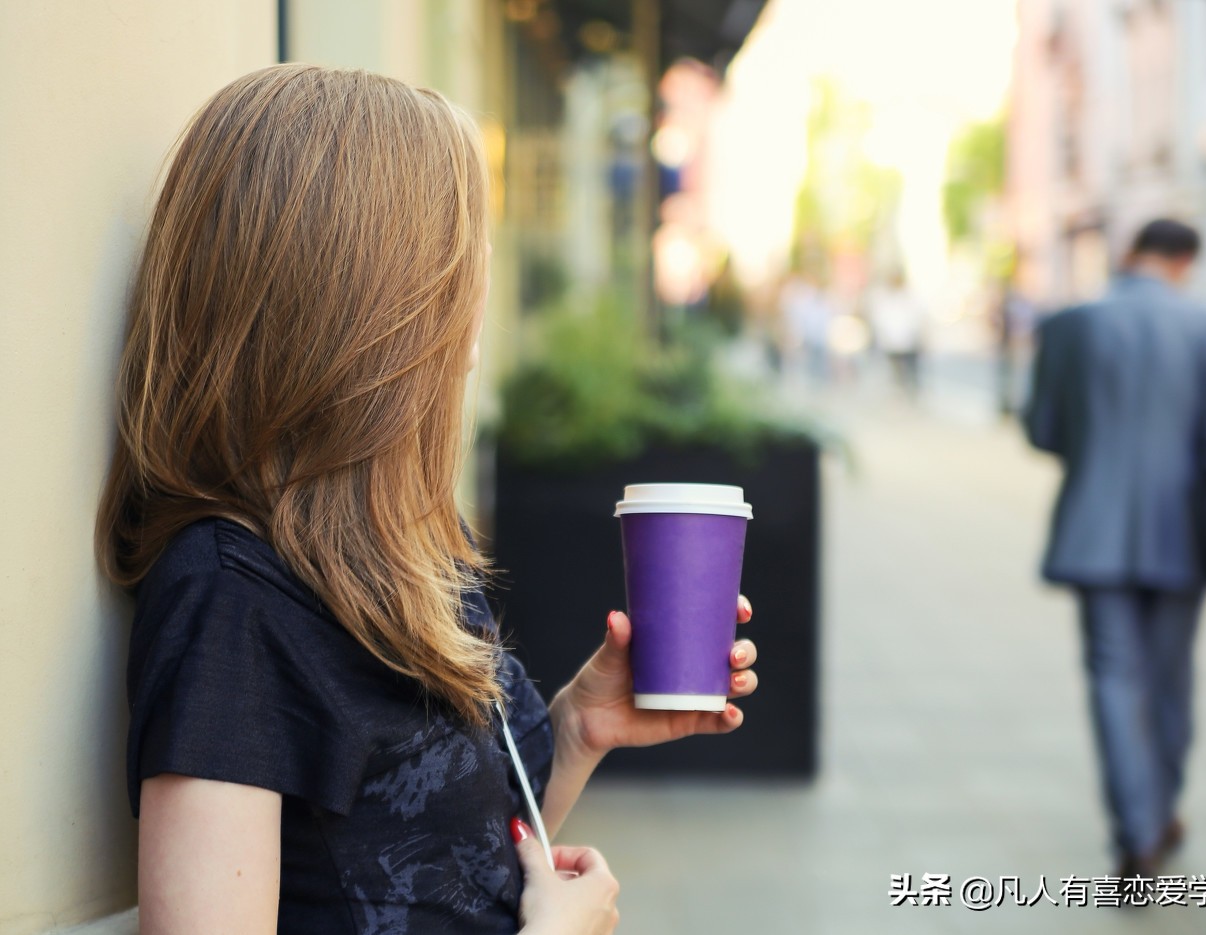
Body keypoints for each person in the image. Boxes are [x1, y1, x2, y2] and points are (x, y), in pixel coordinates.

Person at [96, 64, 760, 935]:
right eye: (456, 261)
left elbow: (442, 857)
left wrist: (582, 726)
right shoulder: (232, 603)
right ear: (372, 312)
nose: (479, 288)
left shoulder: (402, 547)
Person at [1023, 219, 1206, 878]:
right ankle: (1159, 810)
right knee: (1170, 678)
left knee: (1111, 677)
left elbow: (1042, 430)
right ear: (1186, 261)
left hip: (1092, 528)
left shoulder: (1069, 323)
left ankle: (1134, 829)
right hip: (1182, 532)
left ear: (1131, 256)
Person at [867, 271, 927, 397]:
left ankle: (912, 393)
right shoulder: (884, 298)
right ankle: (902, 393)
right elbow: (880, 319)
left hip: (909, 340)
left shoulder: (910, 296)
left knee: (912, 369)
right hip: (892, 342)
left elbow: (919, 316)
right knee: (898, 371)